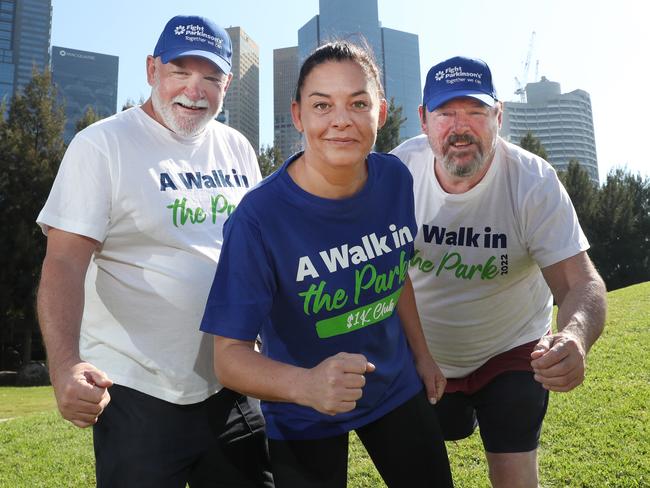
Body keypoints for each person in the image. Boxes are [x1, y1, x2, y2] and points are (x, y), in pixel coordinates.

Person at [199, 41, 454, 488]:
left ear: (380, 112)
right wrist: (308, 386)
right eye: (322, 105)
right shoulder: (257, 220)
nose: (341, 120)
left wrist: (423, 355)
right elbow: (229, 360)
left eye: (358, 103)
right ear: (298, 115)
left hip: (394, 386)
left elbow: (397, 277)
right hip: (302, 408)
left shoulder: (395, 179)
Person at [36, 15, 273, 488]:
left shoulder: (238, 148)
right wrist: (64, 367)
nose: (194, 89)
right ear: (151, 70)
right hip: (136, 392)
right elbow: (63, 263)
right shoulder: (102, 145)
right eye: (179, 72)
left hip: (231, 381)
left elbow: (257, 254)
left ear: (227, 84)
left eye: (210, 77)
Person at [391, 56, 607, 488]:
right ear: (423, 120)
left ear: (499, 116)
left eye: (475, 111)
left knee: (514, 473)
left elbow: (579, 282)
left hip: (512, 347)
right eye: (445, 113)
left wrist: (575, 335)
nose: (460, 127)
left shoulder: (532, 180)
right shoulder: (398, 173)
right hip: (423, 354)